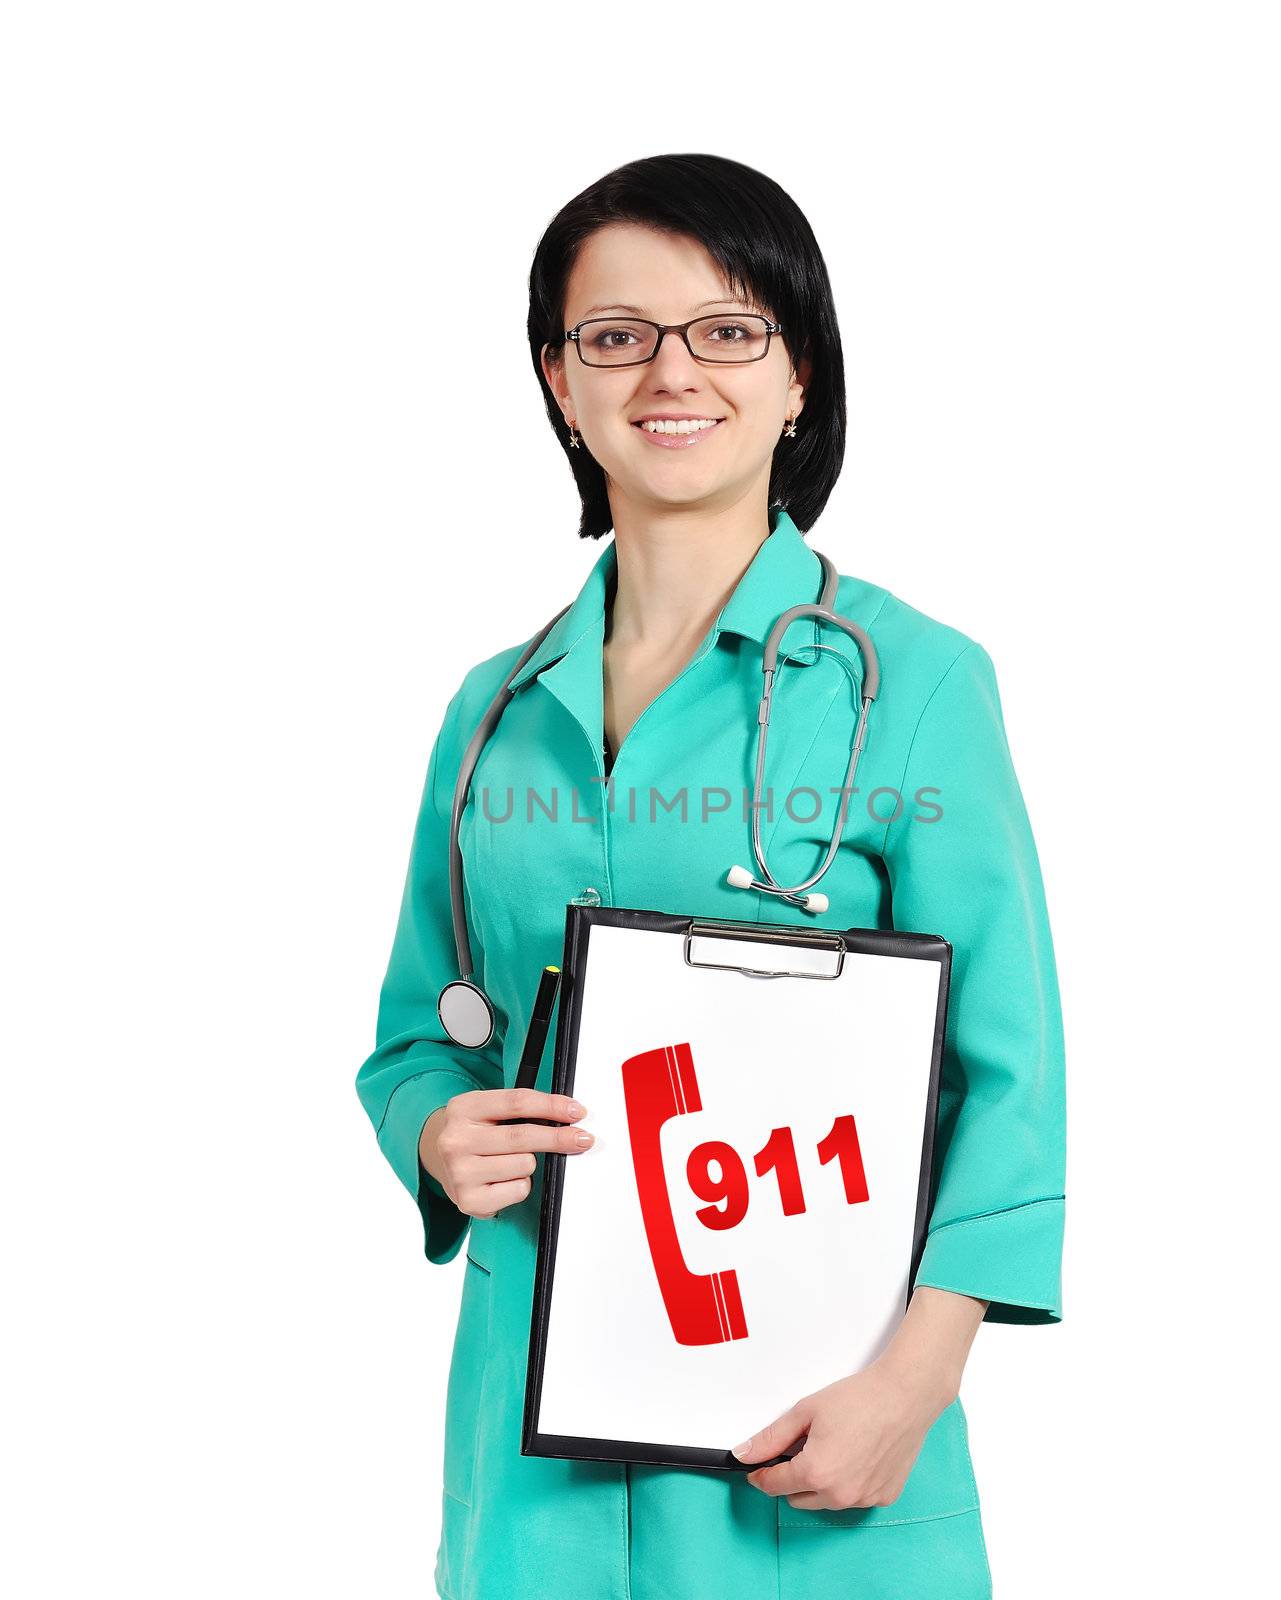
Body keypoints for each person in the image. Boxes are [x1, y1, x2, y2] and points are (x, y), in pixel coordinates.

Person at [355, 152, 1066, 1600]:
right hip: (530, 1468)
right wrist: (437, 1133)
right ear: (560, 383)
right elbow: (416, 1038)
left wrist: (911, 1389)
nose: (668, 373)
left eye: (726, 329)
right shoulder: (491, 712)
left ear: (799, 370)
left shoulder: (911, 685)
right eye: (612, 335)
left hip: (809, 1449)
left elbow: (1010, 1076)